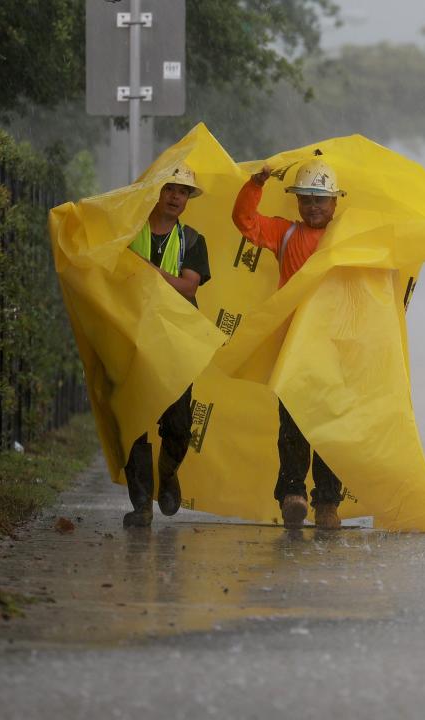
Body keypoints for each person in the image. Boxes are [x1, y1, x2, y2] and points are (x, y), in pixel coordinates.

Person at [231, 156, 347, 530]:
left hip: (334, 348)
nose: (313, 207)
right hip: (293, 348)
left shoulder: (348, 238)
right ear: (298, 202)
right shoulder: (285, 234)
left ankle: (328, 504)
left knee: (329, 426)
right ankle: (292, 495)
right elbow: (245, 222)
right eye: (306, 199)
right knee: (293, 423)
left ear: (335, 203)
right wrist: (255, 185)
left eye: (320, 200)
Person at [123, 165, 211, 528]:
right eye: (170, 189)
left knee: (178, 422)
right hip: (134, 337)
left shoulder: (192, 240)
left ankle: (169, 471)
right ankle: (142, 504)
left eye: (183, 192)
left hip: (176, 341)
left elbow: (189, 287)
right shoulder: (128, 232)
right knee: (134, 422)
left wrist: (147, 270)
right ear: (156, 193)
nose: (176, 197)